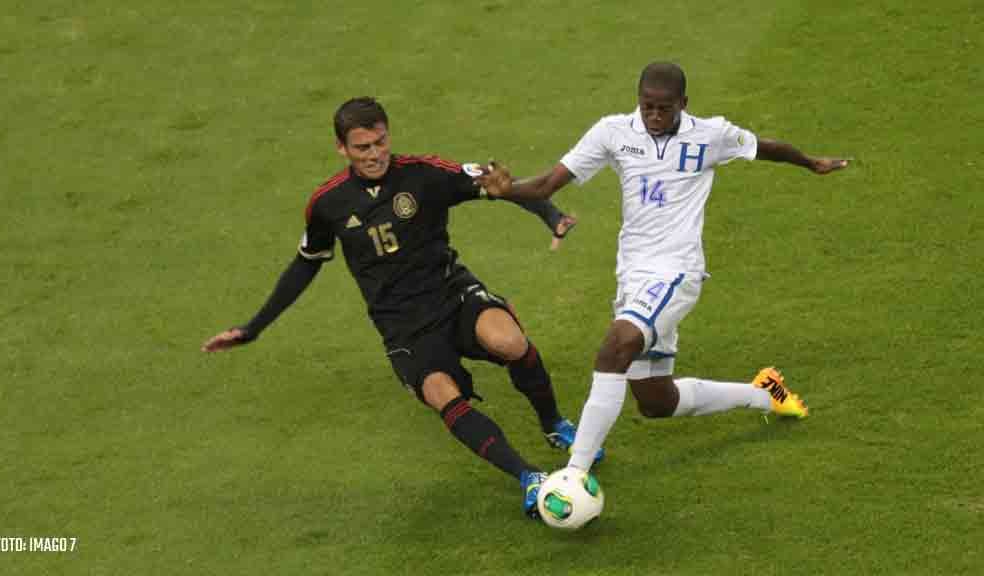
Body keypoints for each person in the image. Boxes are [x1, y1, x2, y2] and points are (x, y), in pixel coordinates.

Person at [202, 96, 599, 519]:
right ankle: (529, 479)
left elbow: (501, 183)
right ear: (342, 149)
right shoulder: (328, 204)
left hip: (452, 293)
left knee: (509, 341)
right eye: (362, 148)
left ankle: (555, 425)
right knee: (441, 394)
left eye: (380, 142)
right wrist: (253, 327)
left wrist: (551, 214)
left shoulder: (425, 174)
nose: (374, 154)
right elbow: (306, 264)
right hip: (403, 326)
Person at [479, 62, 850, 471]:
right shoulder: (613, 132)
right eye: (647, 107)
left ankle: (574, 474)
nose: (654, 117)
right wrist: (504, 191)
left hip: (677, 272)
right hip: (633, 275)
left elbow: (767, 147)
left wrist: (810, 162)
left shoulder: (711, 135)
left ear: (683, 104)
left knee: (615, 348)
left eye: (664, 109)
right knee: (657, 400)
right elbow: (547, 184)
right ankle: (764, 394)